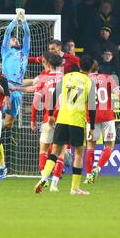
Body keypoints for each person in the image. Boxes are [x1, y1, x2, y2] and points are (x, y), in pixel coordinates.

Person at [34, 55, 96, 195]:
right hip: (77, 121)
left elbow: (55, 94)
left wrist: (50, 114)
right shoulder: (89, 82)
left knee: (55, 151)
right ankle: (74, 188)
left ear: (80, 65)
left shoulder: (67, 76)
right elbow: (92, 107)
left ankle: (44, 178)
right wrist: (92, 127)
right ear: (92, 68)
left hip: (62, 119)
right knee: (79, 154)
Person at [84, 61, 120, 184]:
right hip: (107, 116)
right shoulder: (108, 78)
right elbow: (119, 95)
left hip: (91, 117)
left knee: (90, 146)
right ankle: (98, 169)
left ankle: (88, 174)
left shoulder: (85, 80)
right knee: (109, 145)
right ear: (98, 68)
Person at [28, 53, 66, 191]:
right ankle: (55, 184)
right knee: (61, 152)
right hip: (65, 119)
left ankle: (44, 179)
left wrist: (33, 120)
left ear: (48, 64)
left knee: (44, 150)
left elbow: (36, 102)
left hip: (48, 119)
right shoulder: (66, 78)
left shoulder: (43, 79)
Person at [1, 9, 30, 130]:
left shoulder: (24, 52)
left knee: (8, 124)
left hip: (18, 89)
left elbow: (27, 34)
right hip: (5, 86)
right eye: (13, 39)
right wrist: (15, 19)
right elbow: (7, 32)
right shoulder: (5, 51)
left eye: (17, 39)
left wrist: (23, 20)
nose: (16, 40)